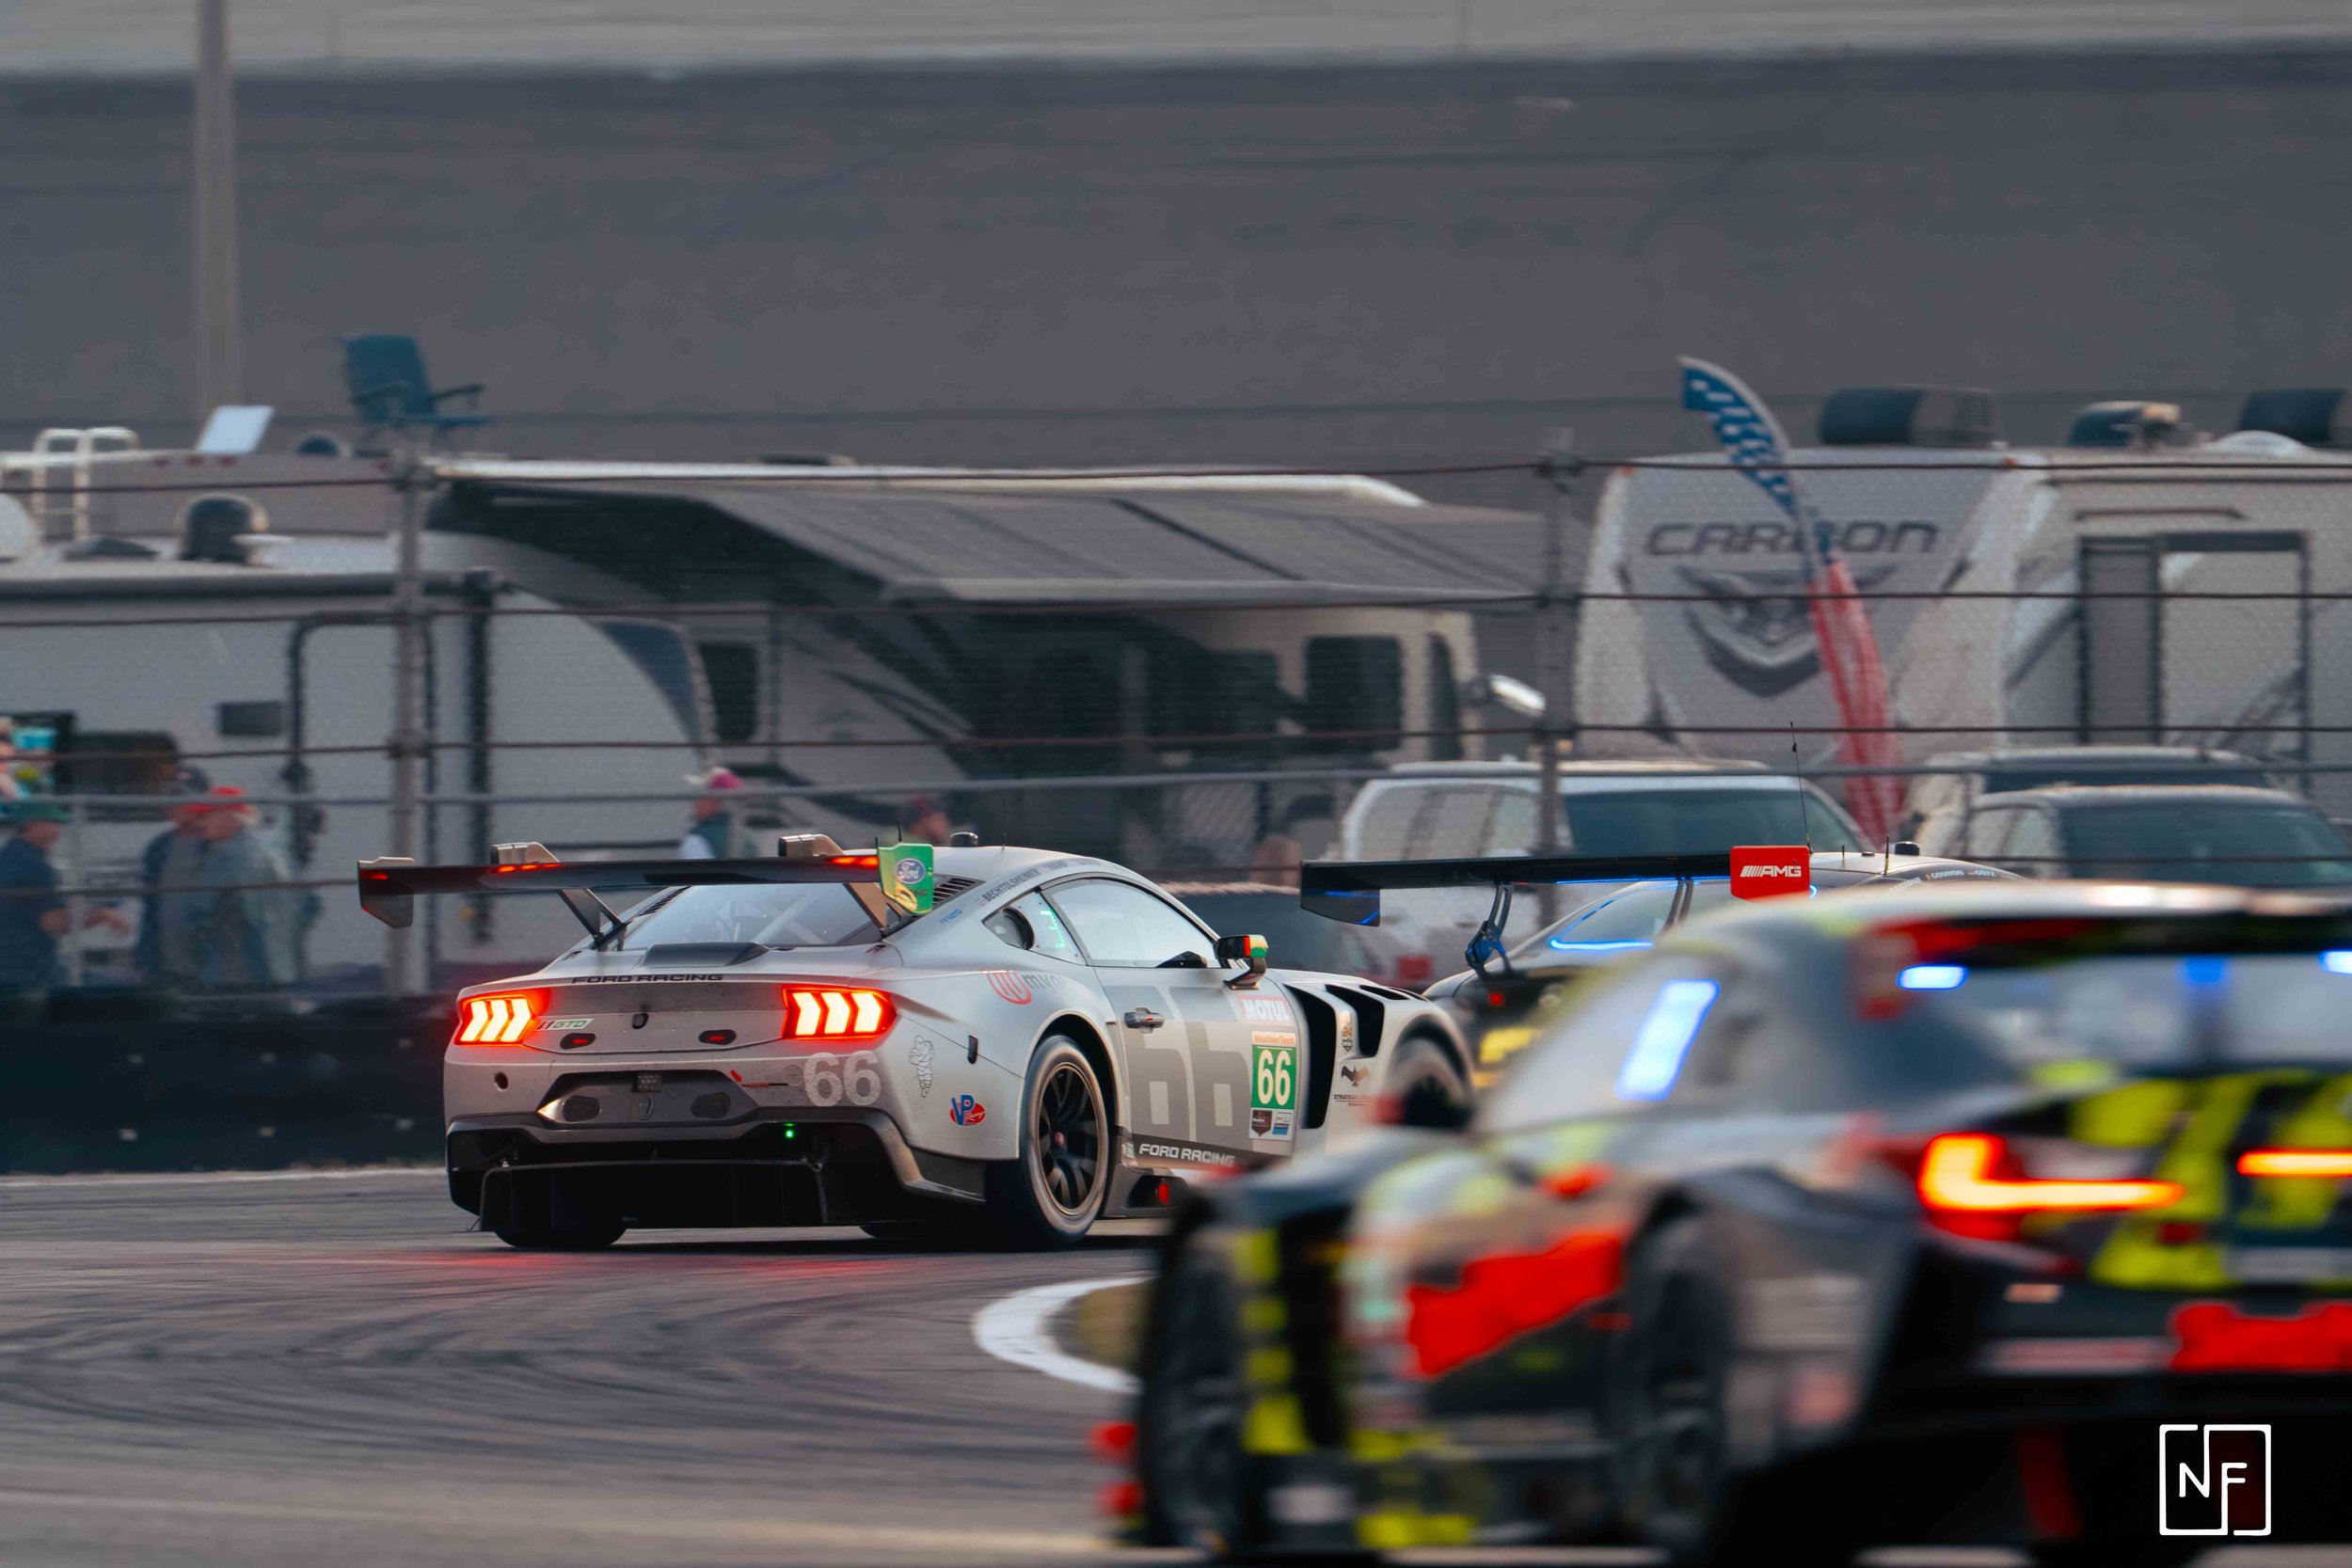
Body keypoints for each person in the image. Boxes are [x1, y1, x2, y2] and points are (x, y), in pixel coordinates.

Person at [185, 787, 299, 990]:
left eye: (206, 815)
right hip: (266, 972)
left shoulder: (232, 858)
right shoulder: (266, 852)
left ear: (230, 817)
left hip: (234, 976)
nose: (200, 822)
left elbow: (198, 908)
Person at [135, 765, 211, 988]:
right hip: (164, 963)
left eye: (185, 798)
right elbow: (150, 908)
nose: (177, 806)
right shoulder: (159, 847)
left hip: (207, 964)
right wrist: (145, 956)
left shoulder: (216, 845)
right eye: (172, 798)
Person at [0, 800, 69, 1017]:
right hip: (29, 970)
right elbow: (52, 921)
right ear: (33, 824)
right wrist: (100, 914)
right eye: (54, 822)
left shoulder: (6, 857)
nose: (60, 828)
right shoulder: (36, 867)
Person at [678, 767, 743, 859]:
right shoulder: (749, 839)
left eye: (700, 796)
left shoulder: (696, 841)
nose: (695, 802)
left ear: (714, 801)